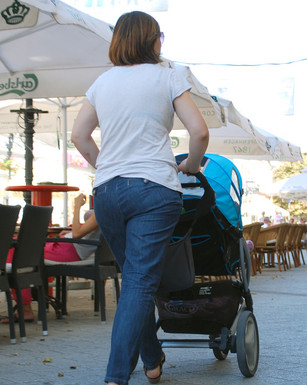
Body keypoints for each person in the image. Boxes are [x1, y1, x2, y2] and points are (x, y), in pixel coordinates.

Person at [71, 11, 209, 385]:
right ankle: (116, 377)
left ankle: (152, 359)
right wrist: (192, 167)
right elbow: (198, 132)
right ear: (154, 40)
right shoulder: (168, 76)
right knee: (138, 284)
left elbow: (79, 136)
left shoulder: (102, 82)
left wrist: (107, 167)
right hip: (154, 188)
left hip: (109, 192)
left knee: (134, 279)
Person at [1, 193, 101, 323]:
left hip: (68, 251)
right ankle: (18, 301)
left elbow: (77, 234)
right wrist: (70, 233)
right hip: (67, 247)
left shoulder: (102, 211)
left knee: (16, 249)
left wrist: (76, 207)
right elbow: (84, 232)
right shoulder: (108, 208)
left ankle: (23, 308)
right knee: (17, 244)